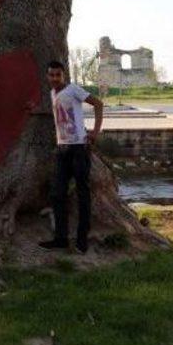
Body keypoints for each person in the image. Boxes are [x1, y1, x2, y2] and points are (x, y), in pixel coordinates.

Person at [39, 60, 104, 254]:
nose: (54, 78)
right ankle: (61, 239)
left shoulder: (73, 89)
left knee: (83, 194)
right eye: (51, 75)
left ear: (64, 75)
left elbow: (98, 104)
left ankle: (82, 240)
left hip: (79, 149)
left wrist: (95, 132)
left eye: (58, 75)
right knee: (58, 194)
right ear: (47, 76)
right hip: (62, 150)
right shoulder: (52, 93)